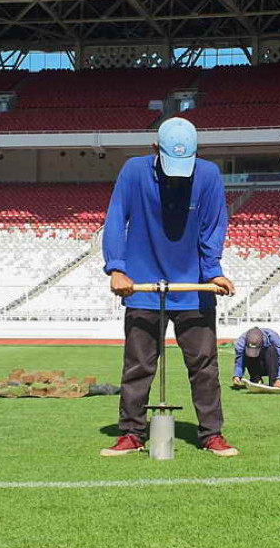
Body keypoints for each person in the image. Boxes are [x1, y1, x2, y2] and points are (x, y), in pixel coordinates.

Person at [99, 117, 239, 457]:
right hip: (141, 285)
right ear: (154, 150)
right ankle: (131, 432)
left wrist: (213, 272)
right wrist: (116, 269)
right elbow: (116, 218)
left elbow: (213, 227)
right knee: (138, 364)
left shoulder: (207, 176)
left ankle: (211, 433)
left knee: (204, 364)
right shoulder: (134, 172)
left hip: (193, 286)